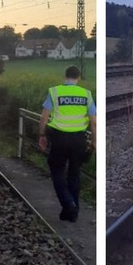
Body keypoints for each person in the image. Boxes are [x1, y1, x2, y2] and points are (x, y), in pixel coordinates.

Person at [38, 66, 97, 223]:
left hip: (59, 139)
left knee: (57, 171)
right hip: (79, 140)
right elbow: (94, 122)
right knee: (74, 174)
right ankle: (72, 213)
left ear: (65, 76)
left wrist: (42, 135)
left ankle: (69, 204)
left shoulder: (55, 92)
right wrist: (94, 141)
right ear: (78, 77)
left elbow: (44, 117)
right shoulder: (86, 94)